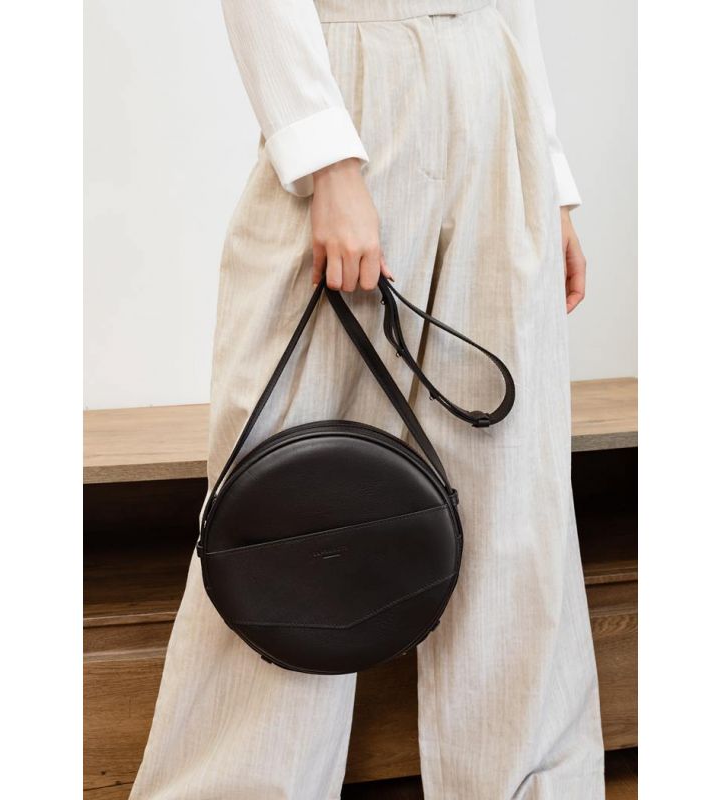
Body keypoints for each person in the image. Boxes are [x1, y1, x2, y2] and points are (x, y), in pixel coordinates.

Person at [129, 1, 604, 798]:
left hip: (497, 86)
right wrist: (325, 158)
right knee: (283, 495)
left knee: (515, 500)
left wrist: (548, 175)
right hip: (355, 84)